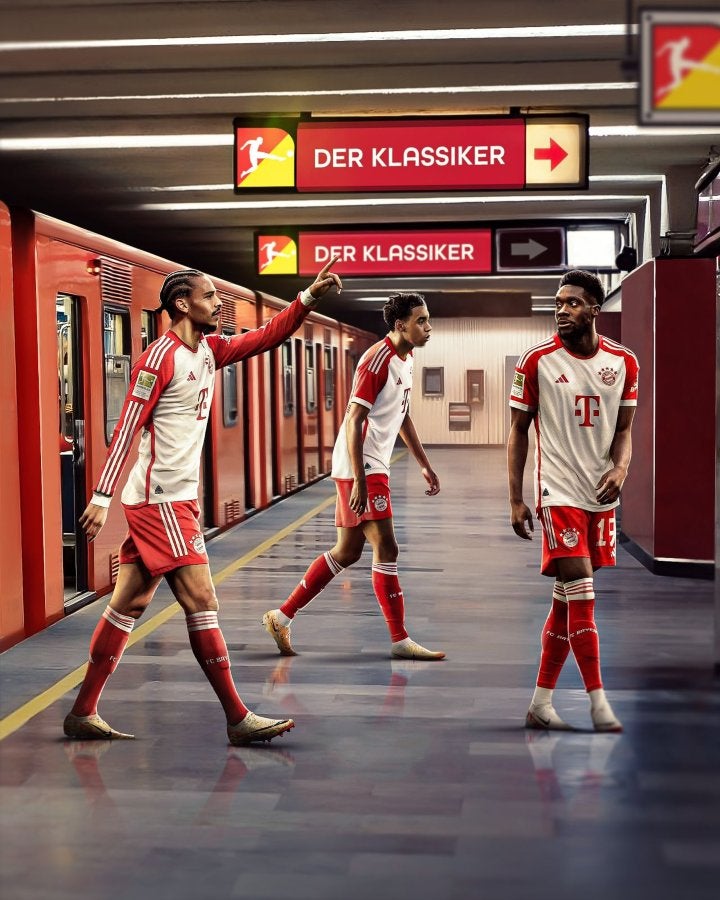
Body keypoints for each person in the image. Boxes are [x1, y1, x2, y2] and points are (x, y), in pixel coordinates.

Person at [63, 259, 342, 745]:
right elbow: (127, 426)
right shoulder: (159, 358)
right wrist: (102, 494)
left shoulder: (210, 350)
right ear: (181, 303)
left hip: (177, 499)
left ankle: (83, 711)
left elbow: (266, 337)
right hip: (160, 499)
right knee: (202, 600)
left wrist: (308, 298)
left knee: (128, 602)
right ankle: (237, 717)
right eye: (210, 296)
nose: (218, 304)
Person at [262, 292, 445, 661]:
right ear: (400, 325)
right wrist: (360, 479)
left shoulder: (405, 360)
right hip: (361, 462)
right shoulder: (376, 361)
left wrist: (423, 462)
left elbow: (402, 416)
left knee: (346, 552)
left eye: (427, 320)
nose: (428, 327)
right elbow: (354, 420)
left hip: (372, 462)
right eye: (421, 321)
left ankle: (281, 616)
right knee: (387, 547)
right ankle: (400, 639)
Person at [507, 270, 639, 733]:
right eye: (557, 303)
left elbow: (624, 431)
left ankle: (540, 703)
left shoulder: (624, 362)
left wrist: (621, 469)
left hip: (598, 497)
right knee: (583, 595)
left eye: (572, 303)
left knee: (566, 601)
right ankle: (598, 703)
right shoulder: (536, 360)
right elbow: (518, 432)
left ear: (595, 309)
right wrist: (516, 499)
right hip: (557, 491)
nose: (561, 310)